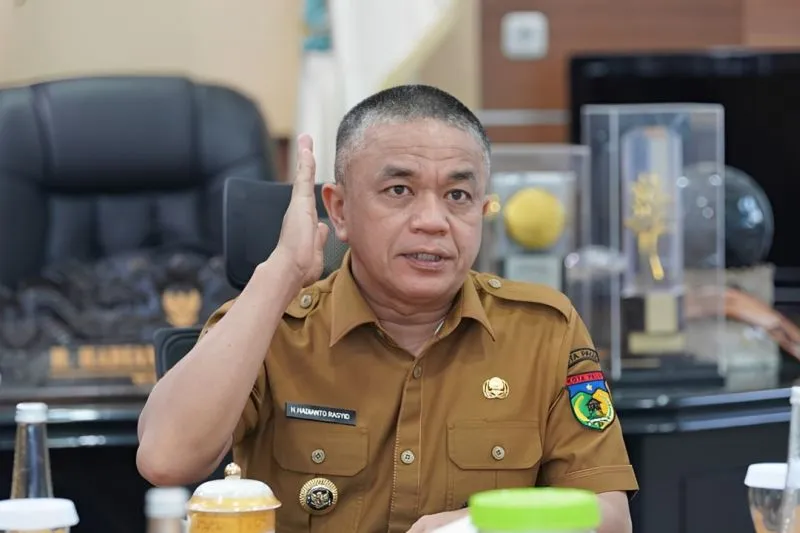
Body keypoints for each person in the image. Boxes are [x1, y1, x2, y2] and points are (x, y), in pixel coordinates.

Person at [137, 84, 638, 533]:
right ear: (339, 210)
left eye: (458, 195)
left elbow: (609, 517)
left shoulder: (542, 330)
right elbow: (166, 459)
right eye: (399, 190)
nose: (433, 221)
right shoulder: (271, 327)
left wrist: (478, 526)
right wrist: (281, 273)